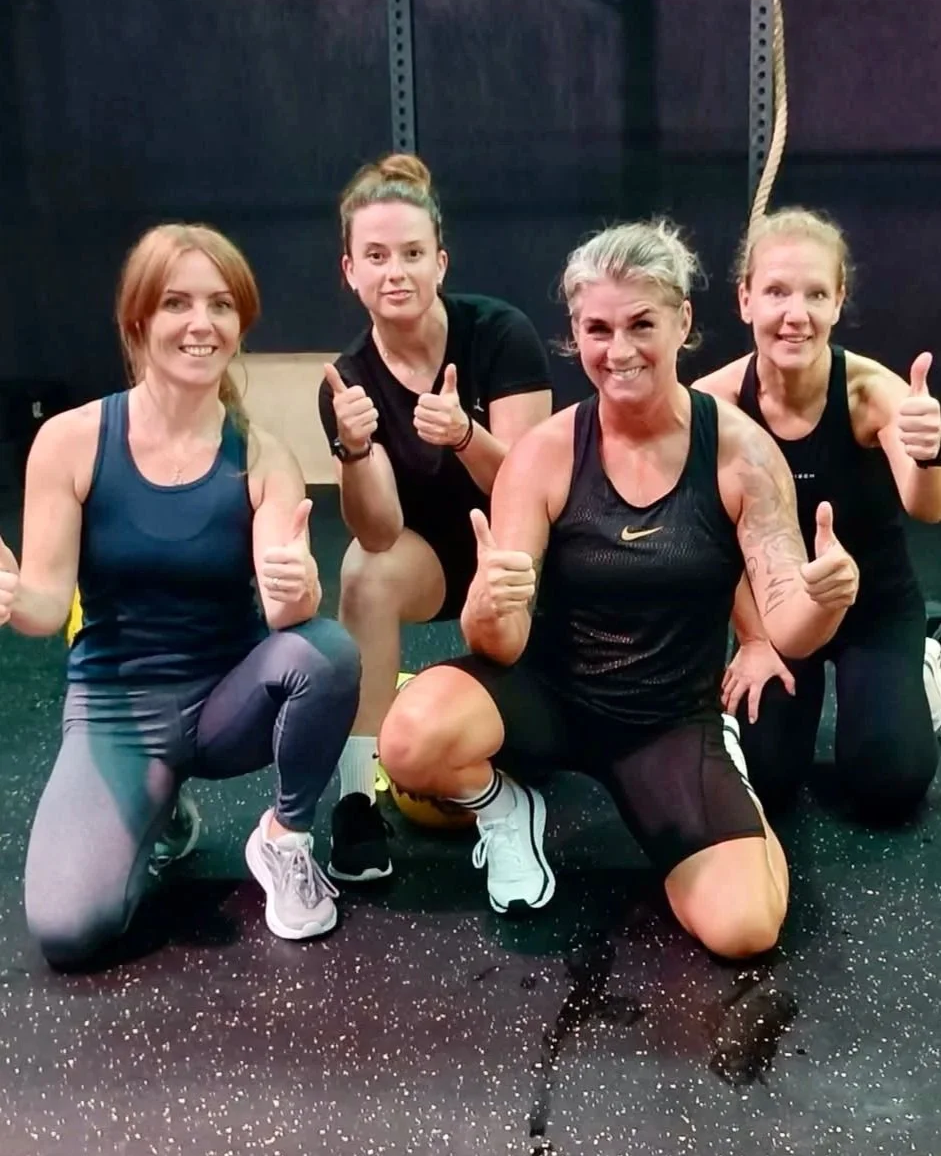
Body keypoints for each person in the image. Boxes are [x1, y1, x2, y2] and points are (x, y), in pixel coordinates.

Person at [376, 220, 860, 959]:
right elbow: (498, 644)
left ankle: (724, 793)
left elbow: (788, 629)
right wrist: (486, 607)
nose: (619, 349)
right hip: (551, 697)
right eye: (598, 329)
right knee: (409, 740)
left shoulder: (740, 452)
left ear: (682, 322)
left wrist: (825, 600)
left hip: (666, 721)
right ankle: (505, 808)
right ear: (575, 333)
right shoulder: (544, 454)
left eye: (641, 324)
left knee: (745, 929)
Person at [0, 224, 361, 969]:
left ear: (240, 323)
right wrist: (9, 598)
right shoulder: (71, 441)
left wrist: (297, 588)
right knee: (70, 931)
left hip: (226, 704)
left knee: (326, 651)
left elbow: (287, 618)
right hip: (117, 711)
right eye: (177, 303)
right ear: (138, 319)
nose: (202, 323)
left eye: (220, 305)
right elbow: (44, 608)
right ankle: (156, 810)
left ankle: (284, 840)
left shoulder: (261, 455)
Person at [317, 154, 553, 884]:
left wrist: (464, 435)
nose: (396, 272)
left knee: (537, 733)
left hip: (520, 546)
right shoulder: (346, 383)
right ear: (350, 271)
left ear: (440, 262)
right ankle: (356, 799)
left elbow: (530, 485)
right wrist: (355, 450)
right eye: (376, 256)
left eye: (412, 254)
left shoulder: (500, 334)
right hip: (434, 558)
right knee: (364, 571)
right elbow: (379, 532)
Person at [695, 207, 941, 819]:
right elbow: (712, 542)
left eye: (815, 294)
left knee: (890, 781)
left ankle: (923, 667)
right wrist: (753, 639)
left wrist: (930, 453)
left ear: (838, 301)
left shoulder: (871, 393)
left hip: (873, 606)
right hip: (778, 613)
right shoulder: (715, 405)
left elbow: (926, 508)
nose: (795, 314)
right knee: (767, 776)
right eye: (776, 291)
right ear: (745, 299)